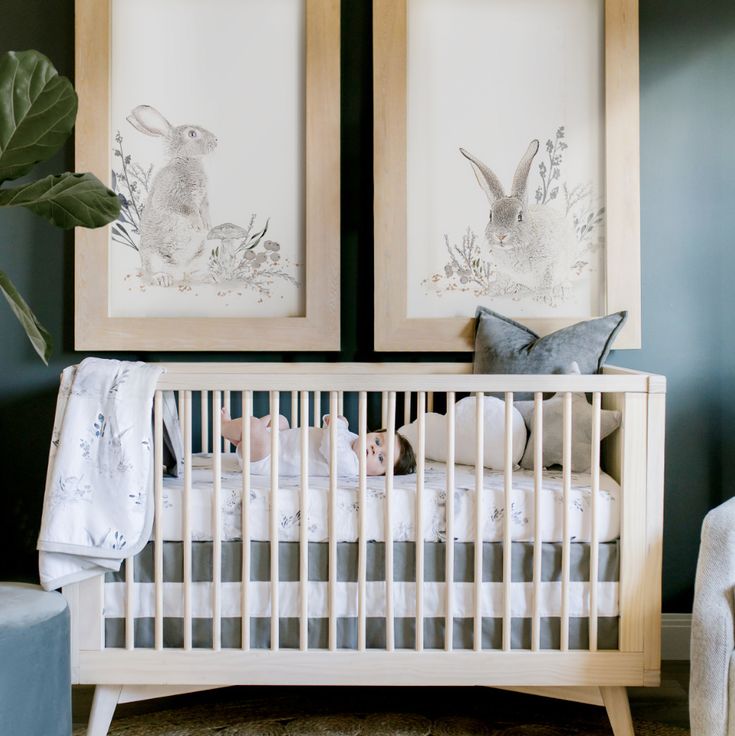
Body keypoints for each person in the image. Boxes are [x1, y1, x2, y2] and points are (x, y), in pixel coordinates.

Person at [220, 409, 416, 477]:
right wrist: (337, 424)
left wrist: (338, 423)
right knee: (279, 420)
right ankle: (240, 440)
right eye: (378, 441)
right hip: (277, 442)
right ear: (371, 433)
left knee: (254, 425)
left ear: (380, 475)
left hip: (267, 460)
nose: (374, 448)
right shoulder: (352, 440)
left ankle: (225, 427)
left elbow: (331, 444)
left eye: (381, 458)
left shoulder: (350, 466)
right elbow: (329, 433)